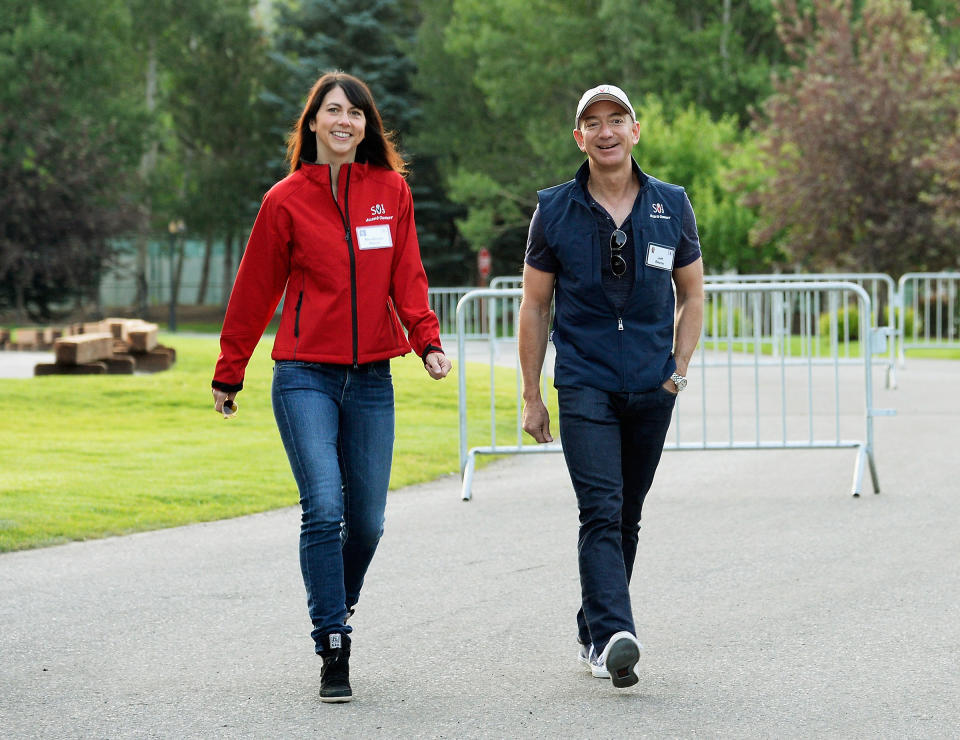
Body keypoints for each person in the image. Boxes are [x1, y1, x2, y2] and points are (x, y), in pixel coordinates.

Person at [210, 71, 451, 703]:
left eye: (356, 113)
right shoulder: (285, 200)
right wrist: (230, 369)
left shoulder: (391, 191)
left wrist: (426, 339)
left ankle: (332, 606)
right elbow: (254, 289)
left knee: (367, 523)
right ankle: (333, 640)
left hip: (372, 377)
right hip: (303, 376)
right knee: (324, 505)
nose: (344, 121)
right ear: (313, 122)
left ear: (366, 127)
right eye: (332, 111)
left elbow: (408, 274)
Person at [518, 84, 704, 689]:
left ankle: (593, 623)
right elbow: (534, 305)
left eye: (616, 120)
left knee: (626, 515)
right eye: (592, 123)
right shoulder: (554, 208)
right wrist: (531, 393)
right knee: (600, 509)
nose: (605, 131)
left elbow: (693, 293)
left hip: (653, 386)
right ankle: (614, 639)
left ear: (635, 130)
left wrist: (676, 370)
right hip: (584, 382)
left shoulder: (671, 204)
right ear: (579, 138)